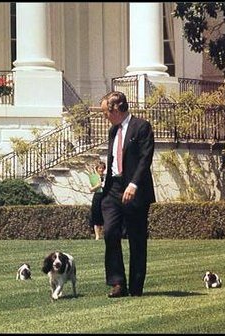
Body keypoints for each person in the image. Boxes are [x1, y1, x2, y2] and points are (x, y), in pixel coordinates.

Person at [100, 91, 155, 298]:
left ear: (116, 109)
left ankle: (136, 287)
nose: (105, 115)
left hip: (135, 190)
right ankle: (117, 282)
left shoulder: (142, 127)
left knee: (136, 238)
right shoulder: (113, 131)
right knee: (110, 232)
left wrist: (133, 184)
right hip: (113, 188)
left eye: (106, 111)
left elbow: (145, 159)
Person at [89, 161, 106, 240]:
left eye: (102, 168)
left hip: (105, 196)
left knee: (105, 215)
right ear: (97, 169)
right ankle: (97, 236)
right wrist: (98, 185)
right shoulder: (93, 177)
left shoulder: (106, 177)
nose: (101, 170)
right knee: (96, 215)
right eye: (99, 168)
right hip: (97, 196)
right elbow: (91, 189)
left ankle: (105, 234)